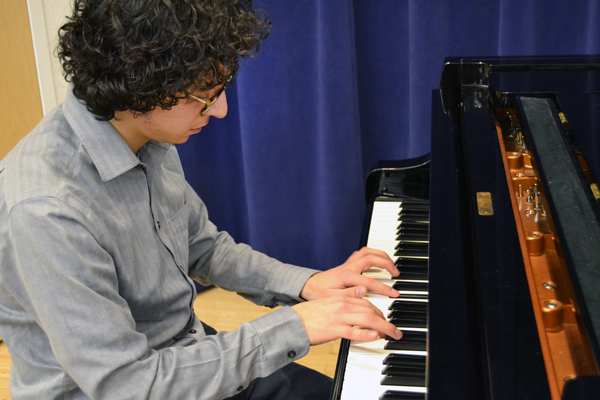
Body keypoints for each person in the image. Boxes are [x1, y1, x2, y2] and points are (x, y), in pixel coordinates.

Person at [0, 1, 403, 399]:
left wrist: (306, 284)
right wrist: (294, 326)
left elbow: (202, 246)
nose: (222, 110)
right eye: (206, 96)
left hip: (184, 358)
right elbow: (128, 384)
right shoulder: (46, 209)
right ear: (142, 90)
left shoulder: (146, 131)